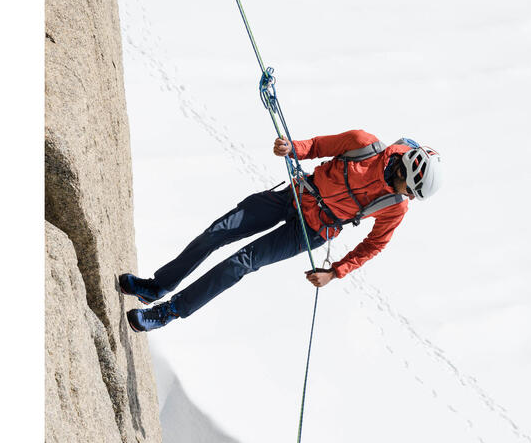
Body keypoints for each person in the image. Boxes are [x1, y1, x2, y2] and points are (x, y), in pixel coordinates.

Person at [120, 129, 442, 332]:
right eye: (408, 188)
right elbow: (316, 146)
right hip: (293, 196)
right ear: (404, 167)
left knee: (240, 263)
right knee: (217, 232)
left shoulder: (395, 206)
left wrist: (335, 272)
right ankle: (156, 286)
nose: (407, 196)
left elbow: (373, 245)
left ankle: (169, 312)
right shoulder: (363, 144)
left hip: (310, 232)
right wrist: (293, 148)